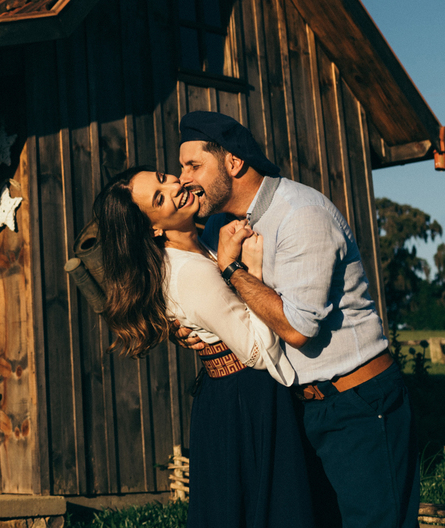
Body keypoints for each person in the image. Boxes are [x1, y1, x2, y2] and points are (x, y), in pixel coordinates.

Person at [176, 111, 419, 528]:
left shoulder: (301, 213)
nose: (182, 178)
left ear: (233, 163)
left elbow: (297, 328)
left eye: (193, 165)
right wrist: (185, 329)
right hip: (300, 409)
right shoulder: (218, 223)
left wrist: (233, 271)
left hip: (358, 405)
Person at [94, 166, 313, 528]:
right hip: (247, 398)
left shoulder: (207, 240)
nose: (176, 185)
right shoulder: (188, 273)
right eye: (160, 197)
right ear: (153, 227)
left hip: (233, 395)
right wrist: (247, 272)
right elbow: (257, 352)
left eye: (164, 177)